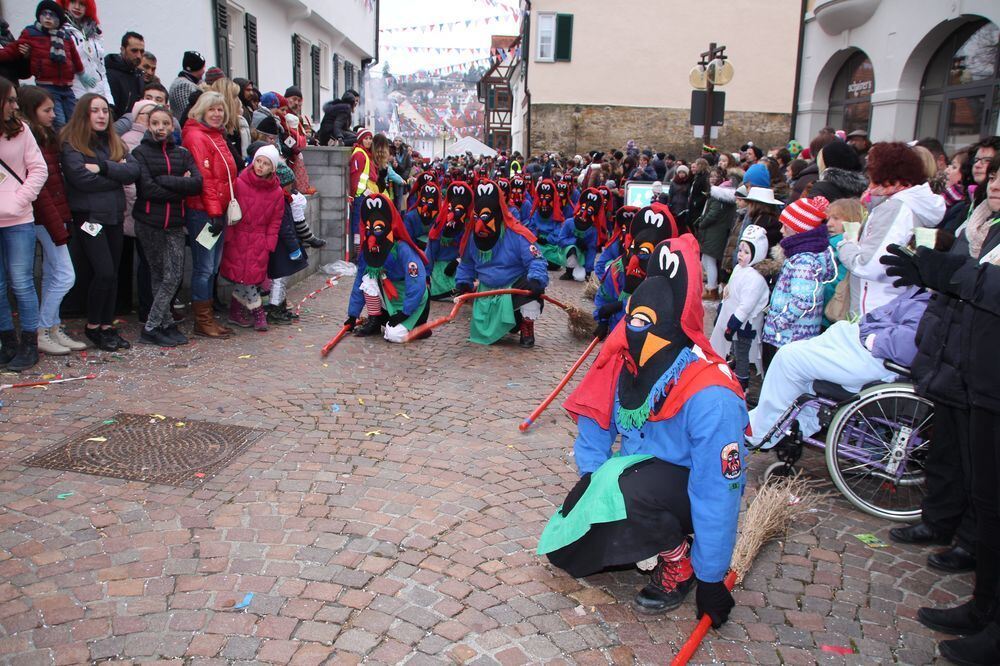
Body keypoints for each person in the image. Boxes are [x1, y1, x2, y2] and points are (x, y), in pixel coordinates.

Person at [540, 234, 746, 625]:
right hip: (633, 479)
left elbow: (718, 488)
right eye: (632, 318)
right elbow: (596, 425)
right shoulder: (627, 360)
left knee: (627, 488)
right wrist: (592, 484)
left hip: (685, 490)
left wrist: (712, 578)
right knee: (568, 551)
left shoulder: (711, 394)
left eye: (645, 323)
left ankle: (680, 562)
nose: (633, 332)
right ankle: (642, 522)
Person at [882, 158, 1000, 666]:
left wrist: (951, 273)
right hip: (979, 383)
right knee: (986, 498)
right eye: (993, 176)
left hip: (992, 385)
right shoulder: (991, 230)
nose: (994, 184)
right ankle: (986, 607)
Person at [747, 287, 928, 450]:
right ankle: (781, 422)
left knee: (789, 358)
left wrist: (873, 338)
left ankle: (764, 432)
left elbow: (910, 344)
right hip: (864, 345)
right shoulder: (925, 297)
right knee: (798, 358)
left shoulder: (929, 306)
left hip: (871, 356)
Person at [60, 92, 139, 351]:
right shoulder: (72, 143)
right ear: (85, 113)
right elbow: (81, 179)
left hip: (114, 215)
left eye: (105, 110)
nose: (102, 115)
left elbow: (133, 171)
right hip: (89, 218)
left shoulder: (115, 142)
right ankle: (93, 324)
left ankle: (106, 324)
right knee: (103, 271)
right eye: (95, 110)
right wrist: (115, 173)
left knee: (112, 274)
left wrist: (104, 168)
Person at [836, 142, 944, 317]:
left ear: (886, 174)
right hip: (891, 305)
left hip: (876, 309)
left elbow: (869, 265)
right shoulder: (907, 204)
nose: (869, 178)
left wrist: (846, 244)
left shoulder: (895, 208)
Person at [18, 84, 86, 355]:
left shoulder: (46, 137)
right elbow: (42, 189)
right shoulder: (34, 140)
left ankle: (52, 328)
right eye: (46, 110)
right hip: (44, 218)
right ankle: (42, 328)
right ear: (32, 112)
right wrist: (58, 223)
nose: (53, 114)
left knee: (52, 274)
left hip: (52, 215)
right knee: (65, 275)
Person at [131, 104, 201, 346]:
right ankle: (158, 324)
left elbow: (197, 183)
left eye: (165, 124)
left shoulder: (182, 153)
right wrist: (179, 186)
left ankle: (157, 323)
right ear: (148, 126)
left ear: (172, 126)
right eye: (155, 123)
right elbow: (147, 189)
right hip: (149, 222)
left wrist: (165, 182)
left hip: (174, 222)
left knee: (172, 275)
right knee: (160, 275)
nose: (160, 128)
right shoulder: (140, 153)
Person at [455, 180, 548, 347]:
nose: (479, 225)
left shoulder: (517, 233)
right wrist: (463, 282)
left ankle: (525, 324)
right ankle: (502, 324)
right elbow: (467, 263)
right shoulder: (472, 236)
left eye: (485, 217)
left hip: (513, 288)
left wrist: (536, 280)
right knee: (487, 337)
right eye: (476, 217)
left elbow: (536, 259)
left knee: (530, 285)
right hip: (486, 293)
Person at [182, 90, 237, 338]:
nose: (217, 114)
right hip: (203, 211)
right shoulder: (197, 137)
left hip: (216, 209)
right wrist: (215, 212)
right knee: (204, 267)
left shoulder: (215, 136)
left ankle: (207, 317)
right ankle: (202, 320)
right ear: (202, 110)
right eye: (212, 109)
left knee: (211, 266)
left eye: (220, 109)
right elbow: (205, 180)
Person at [0, 77, 47, 370]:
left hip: (18, 219)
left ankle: (30, 343)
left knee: (21, 282)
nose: (16, 106)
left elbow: (38, 169)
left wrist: (19, 201)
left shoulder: (21, 130)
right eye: (11, 100)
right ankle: (8, 342)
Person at [760, 196, 835, 370]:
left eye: (785, 225)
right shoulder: (800, 255)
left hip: (789, 336)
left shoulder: (804, 261)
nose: (781, 230)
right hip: (789, 334)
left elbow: (803, 301)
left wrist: (779, 321)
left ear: (798, 228)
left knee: (779, 380)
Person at [344, 192, 430, 342]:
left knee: (394, 336)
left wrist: (406, 312)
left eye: (377, 228)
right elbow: (359, 280)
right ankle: (375, 320)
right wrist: (353, 314)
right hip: (390, 298)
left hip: (411, 301)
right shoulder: (369, 251)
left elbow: (416, 282)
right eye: (369, 228)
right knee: (367, 277)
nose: (372, 234)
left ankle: (419, 328)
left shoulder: (402, 248)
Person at [221, 144, 284, 331]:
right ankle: (258, 312)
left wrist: (269, 242)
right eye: (258, 161)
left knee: (248, 277)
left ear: (272, 168)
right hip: (239, 235)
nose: (260, 166)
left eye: (266, 163)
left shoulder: (277, 192)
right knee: (244, 277)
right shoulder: (240, 182)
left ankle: (235, 311)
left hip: (259, 239)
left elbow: (275, 220)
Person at [592, 203, 679, 339]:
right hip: (617, 334)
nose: (634, 259)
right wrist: (602, 319)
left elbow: (659, 307)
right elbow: (604, 294)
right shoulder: (617, 268)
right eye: (633, 247)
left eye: (644, 252)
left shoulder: (665, 276)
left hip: (649, 339)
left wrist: (623, 304)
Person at [0, 1, 82, 127]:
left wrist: (81, 72)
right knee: (58, 120)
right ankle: (62, 144)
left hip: (66, 85)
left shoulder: (65, 36)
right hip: (47, 84)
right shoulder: (31, 33)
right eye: (44, 14)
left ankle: (71, 144)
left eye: (52, 15)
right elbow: (11, 50)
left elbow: (75, 56)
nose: (48, 18)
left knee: (73, 119)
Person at [709, 225, 770, 388]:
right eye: (741, 250)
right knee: (734, 349)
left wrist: (733, 324)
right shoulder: (738, 269)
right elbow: (729, 292)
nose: (741, 255)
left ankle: (742, 382)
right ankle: (733, 366)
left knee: (742, 352)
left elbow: (746, 305)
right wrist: (721, 311)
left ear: (757, 254)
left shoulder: (755, 278)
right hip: (731, 319)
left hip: (744, 325)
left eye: (747, 252)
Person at [265, 162, 308, 325]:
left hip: (282, 245)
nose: (292, 187)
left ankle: (280, 306)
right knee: (279, 279)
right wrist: (294, 247)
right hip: (281, 247)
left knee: (282, 279)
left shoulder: (284, 199)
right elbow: (285, 229)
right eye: (290, 184)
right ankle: (275, 309)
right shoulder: (281, 201)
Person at [693, 167, 738, 301]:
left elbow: (713, 214)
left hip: (713, 232)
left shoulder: (718, 196)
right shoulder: (722, 196)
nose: (712, 179)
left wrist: (701, 223)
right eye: (710, 176)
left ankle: (711, 288)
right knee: (707, 260)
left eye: (715, 176)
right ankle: (711, 287)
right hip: (715, 232)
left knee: (709, 260)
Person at [59, 0, 112, 103]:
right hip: (74, 96)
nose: (77, 7)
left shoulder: (94, 32)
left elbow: (101, 70)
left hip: (98, 97)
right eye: (73, 2)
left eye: (82, 4)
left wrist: (109, 101)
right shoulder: (60, 30)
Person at [426, 181, 469, 299]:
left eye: (458, 210)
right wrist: (426, 276)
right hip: (440, 270)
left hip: (461, 267)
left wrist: (458, 261)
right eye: (450, 209)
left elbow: (471, 252)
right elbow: (429, 253)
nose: (452, 215)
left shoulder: (467, 227)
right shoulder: (438, 228)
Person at [555, 187, 603, 282]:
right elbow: (560, 240)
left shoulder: (592, 230)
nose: (584, 214)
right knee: (571, 249)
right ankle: (568, 271)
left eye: (589, 211)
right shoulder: (569, 223)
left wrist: (588, 270)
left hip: (582, 258)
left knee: (580, 277)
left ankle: (578, 270)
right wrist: (574, 241)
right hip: (566, 253)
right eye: (583, 209)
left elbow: (591, 250)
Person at [523, 178, 566, 270]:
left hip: (551, 245)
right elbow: (531, 227)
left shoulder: (557, 214)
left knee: (554, 261)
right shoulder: (536, 213)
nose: (544, 202)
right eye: (542, 197)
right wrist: (535, 236)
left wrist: (547, 239)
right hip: (536, 242)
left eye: (547, 197)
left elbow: (558, 233)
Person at [103, 30, 143, 119]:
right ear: (122, 50)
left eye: (141, 51)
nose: (139, 56)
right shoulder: (109, 74)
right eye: (134, 51)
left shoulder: (138, 75)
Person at [348, 128, 377, 246]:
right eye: (366, 139)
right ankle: (357, 251)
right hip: (360, 196)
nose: (369, 141)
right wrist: (356, 193)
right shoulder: (360, 154)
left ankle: (359, 250)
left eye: (370, 139)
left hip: (363, 194)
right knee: (358, 225)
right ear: (361, 139)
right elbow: (355, 176)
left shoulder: (364, 153)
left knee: (362, 224)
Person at [403, 179, 440, 250]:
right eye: (423, 201)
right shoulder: (410, 217)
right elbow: (407, 241)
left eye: (430, 202)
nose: (425, 206)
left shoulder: (439, 219)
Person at [168, 50, 204, 120]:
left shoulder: (185, 82)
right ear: (195, 68)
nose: (203, 71)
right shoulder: (183, 86)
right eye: (202, 68)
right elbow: (188, 112)